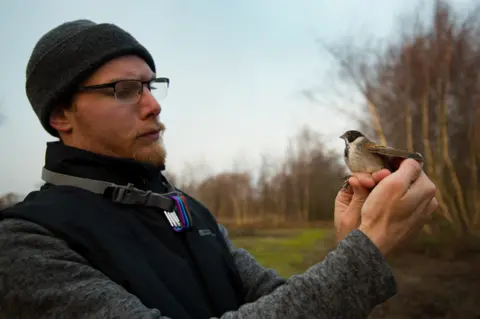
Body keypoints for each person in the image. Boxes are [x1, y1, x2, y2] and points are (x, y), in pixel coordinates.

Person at [0, 19, 438, 319]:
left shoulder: (188, 211)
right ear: (61, 115)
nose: (153, 105)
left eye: (152, 86)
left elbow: (282, 302)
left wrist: (349, 248)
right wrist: (367, 252)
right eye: (125, 90)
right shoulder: (25, 242)